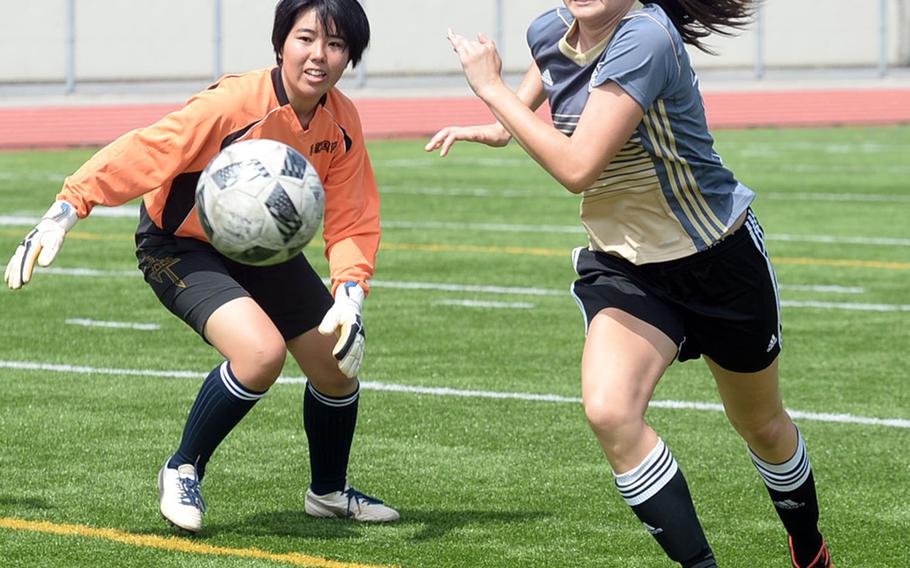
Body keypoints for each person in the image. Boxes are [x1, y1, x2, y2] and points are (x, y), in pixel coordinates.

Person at [426, 1, 831, 566]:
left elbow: (577, 168)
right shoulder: (548, 29)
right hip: (626, 266)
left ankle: (809, 546)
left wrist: (491, 89)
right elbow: (552, 66)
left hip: (716, 258)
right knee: (610, 411)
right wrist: (502, 122)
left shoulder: (646, 37)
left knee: (761, 425)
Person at [4, 0, 399, 532]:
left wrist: (351, 293)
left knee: (337, 362)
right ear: (280, 41)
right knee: (261, 353)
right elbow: (149, 149)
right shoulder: (235, 103)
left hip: (264, 250)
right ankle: (183, 467)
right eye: (305, 39)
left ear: (350, 56)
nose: (318, 56)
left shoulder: (341, 120)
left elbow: (352, 216)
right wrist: (66, 209)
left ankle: (328, 492)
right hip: (179, 246)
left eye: (335, 45)